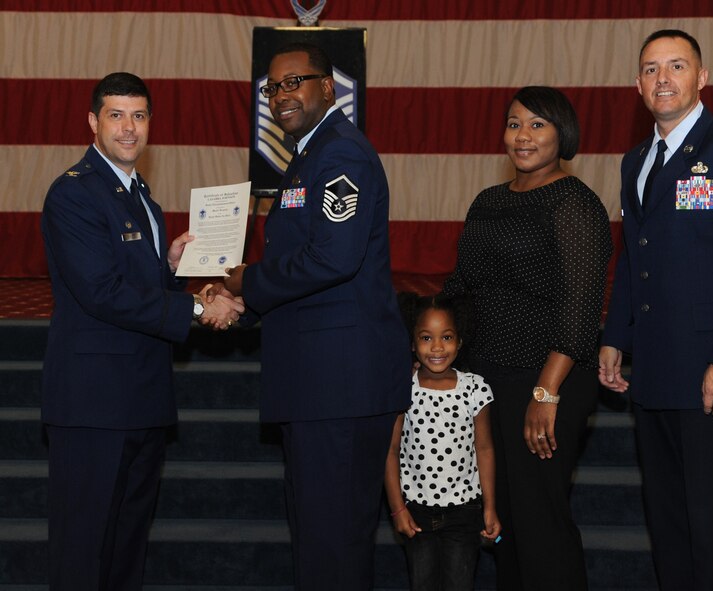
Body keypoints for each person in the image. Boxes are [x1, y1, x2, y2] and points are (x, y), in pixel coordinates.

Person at [598, 30, 713, 590]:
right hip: (656, 376)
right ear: (637, 84)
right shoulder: (636, 160)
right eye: (651, 68)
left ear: (701, 77)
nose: (663, 78)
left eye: (676, 66)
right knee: (671, 527)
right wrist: (616, 335)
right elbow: (637, 259)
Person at [216, 43, 411, 589]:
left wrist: (247, 283)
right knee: (320, 542)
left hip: (340, 387)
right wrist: (243, 305)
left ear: (329, 88)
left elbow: (334, 257)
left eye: (295, 81)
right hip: (319, 384)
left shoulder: (340, 152)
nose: (282, 94)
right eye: (273, 86)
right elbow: (302, 269)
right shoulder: (308, 154)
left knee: (335, 549)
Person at [40, 72, 243, 590]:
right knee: (83, 552)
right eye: (116, 115)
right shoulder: (74, 195)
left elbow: (133, 283)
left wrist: (170, 265)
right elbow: (102, 293)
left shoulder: (143, 199)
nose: (129, 128)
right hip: (93, 406)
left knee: (127, 549)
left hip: (142, 399)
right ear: (93, 121)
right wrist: (198, 311)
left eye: (139, 115)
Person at [442, 86, 613, 590]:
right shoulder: (488, 200)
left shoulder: (575, 203)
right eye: (514, 123)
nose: (523, 135)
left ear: (563, 134)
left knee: (541, 522)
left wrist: (546, 393)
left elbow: (581, 310)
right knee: (503, 524)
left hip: (546, 379)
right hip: (486, 379)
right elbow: (460, 287)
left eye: (538, 124)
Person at [385, 292, 501, 591]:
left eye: (446, 337)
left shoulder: (475, 388)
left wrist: (490, 507)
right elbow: (391, 450)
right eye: (426, 338)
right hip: (416, 511)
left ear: (460, 341)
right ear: (412, 342)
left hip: (464, 512)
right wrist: (397, 508)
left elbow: (485, 448)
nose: (437, 347)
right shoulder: (402, 387)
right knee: (422, 584)